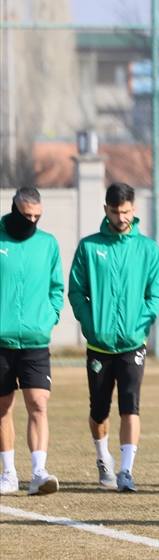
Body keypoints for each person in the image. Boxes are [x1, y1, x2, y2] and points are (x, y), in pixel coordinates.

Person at [68, 182, 159, 493]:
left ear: (134, 209)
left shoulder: (148, 249)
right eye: (114, 212)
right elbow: (76, 292)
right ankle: (103, 458)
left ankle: (125, 471)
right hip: (99, 345)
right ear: (106, 210)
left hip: (132, 345)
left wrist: (140, 324)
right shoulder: (88, 247)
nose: (121, 217)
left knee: (130, 407)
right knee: (99, 411)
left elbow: (156, 295)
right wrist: (90, 324)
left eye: (125, 211)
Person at [0, 187, 63, 496]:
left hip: (35, 341)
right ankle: (8, 474)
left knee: (38, 403)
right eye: (27, 216)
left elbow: (56, 288)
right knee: (3, 407)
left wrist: (48, 318)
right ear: (15, 209)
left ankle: (38, 473)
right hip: (1, 342)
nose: (32, 221)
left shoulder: (48, 243)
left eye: (38, 216)